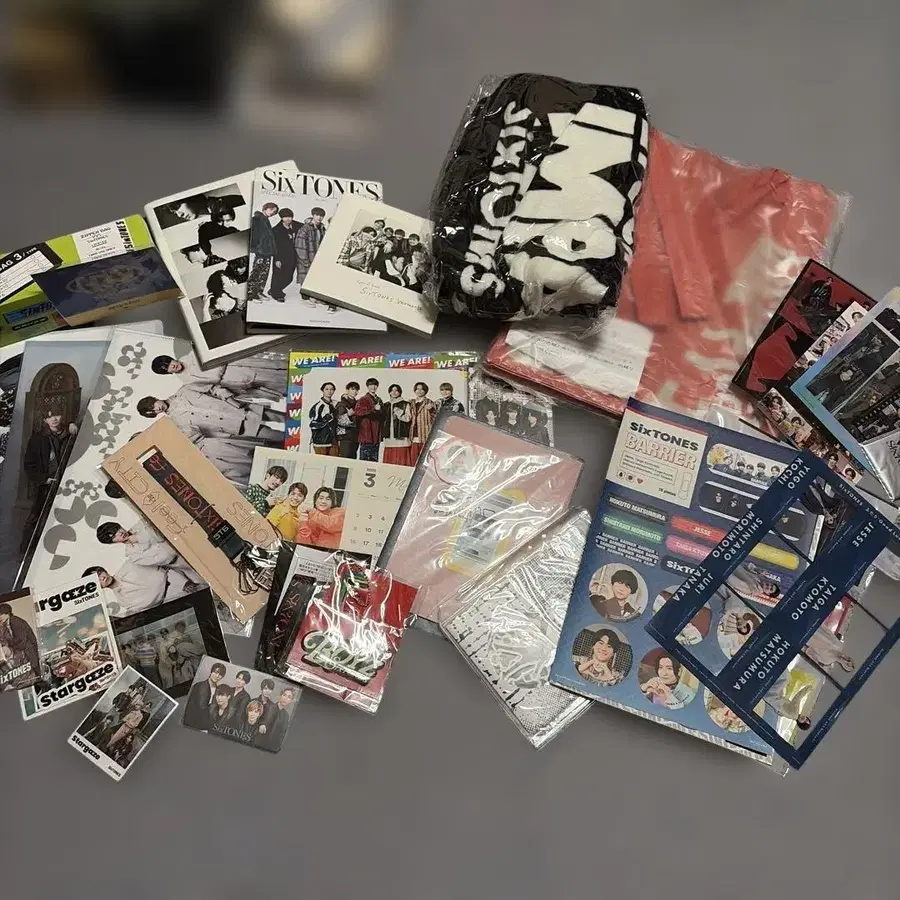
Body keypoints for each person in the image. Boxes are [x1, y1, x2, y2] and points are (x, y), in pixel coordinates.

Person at [137, 387, 282, 446]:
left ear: (154, 399)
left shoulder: (185, 390)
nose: (157, 409)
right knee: (279, 437)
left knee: (287, 417)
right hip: (236, 427)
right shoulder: (177, 424)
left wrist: (231, 400)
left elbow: (213, 388)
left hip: (241, 408)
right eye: (153, 412)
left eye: (153, 405)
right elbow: (205, 435)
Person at [22, 404, 77, 552]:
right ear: (45, 420)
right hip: (47, 485)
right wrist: (44, 479)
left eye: (57, 415)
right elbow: (29, 464)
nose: (54, 419)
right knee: (37, 517)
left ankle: (60, 549)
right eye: (49, 416)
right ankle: (27, 550)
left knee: (66, 516)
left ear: (62, 416)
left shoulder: (71, 433)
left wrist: (72, 424)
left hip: (69, 483)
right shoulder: (38, 439)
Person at [151, 351, 285, 402]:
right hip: (234, 385)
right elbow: (211, 386)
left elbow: (218, 360)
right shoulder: (187, 382)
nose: (172, 366)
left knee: (277, 371)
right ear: (168, 373)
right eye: (167, 368)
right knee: (275, 389)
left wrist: (216, 376)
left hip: (237, 366)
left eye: (169, 362)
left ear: (172, 358)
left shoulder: (192, 355)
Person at [83, 561, 196, 618]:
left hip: (185, 582)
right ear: (98, 587)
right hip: (178, 602)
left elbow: (164, 568)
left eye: (99, 573)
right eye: (97, 580)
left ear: (103, 570)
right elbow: (151, 607)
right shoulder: (123, 601)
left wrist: (184, 583)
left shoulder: (129, 566)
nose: (102, 578)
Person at [0, 601, 40, 681]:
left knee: (37, 674)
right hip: (24, 654)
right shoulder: (6, 625)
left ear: (7, 614)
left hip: (30, 652)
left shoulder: (16, 621)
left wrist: (9, 646)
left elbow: (22, 642)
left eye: (1, 614)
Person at [248, 201, 279, 300]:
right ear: (265, 208)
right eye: (271, 210)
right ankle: (250, 294)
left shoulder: (266, 220)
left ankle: (259, 292)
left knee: (264, 273)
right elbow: (252, 235)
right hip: (260, 251)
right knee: (256, 271)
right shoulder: (256, 219)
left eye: (274, 212)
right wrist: (255, 248)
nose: (272, 213)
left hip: (267, 251)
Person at [184, 661, 226, 730]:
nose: (217, 676)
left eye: (220, 674)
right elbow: (199, 707)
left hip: (207, 726)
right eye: (216, 672)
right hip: (193, 725)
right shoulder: (199, 685)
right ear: (211, 672)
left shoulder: (218, 690)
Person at [270, 208, 298, 301]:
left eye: (290, 217)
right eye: (285, 217)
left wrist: (309, 220)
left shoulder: (296, 225)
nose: (288, 219)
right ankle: (277, 294)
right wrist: (277, 259)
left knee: (289, 278)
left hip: (293, 256)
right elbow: (274, 246)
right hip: (280, 256)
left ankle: (273, 290)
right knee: (278, 275)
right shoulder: (276, 230)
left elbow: (306, 224)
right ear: (281, 218)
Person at [294, 206, 326, 286]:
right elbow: (300, 246)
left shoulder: (322, 228)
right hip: (307, 260)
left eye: (321, 216)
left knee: (315, 282)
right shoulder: (305, 228)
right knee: (306, 282)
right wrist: (306, 262)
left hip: (317, 259)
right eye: (317, 215)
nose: (319, 217)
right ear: (313, 215)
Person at [355, 378, 384, 462]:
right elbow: (358, 412)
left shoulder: (379, 400)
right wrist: (373, 409)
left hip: (376, 435)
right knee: (365, 461)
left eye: (375, 385)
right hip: (366, 434)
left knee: (374, 461)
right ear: (367, 386)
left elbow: (382, 416)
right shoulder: (363, 399)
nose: (373, 387)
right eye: (371, 385)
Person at [382, 384, 412, 465]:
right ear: (389, 392)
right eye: (392, 390)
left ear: (400, 392)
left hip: (400, 435)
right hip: (389, 436)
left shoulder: (405, 404)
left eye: (396, 390)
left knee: (401, 457)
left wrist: (399, 413)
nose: (394, 392)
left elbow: (408, 418)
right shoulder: (386, 405)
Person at [408, 382, 436, 464]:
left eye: (421, 389)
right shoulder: (411, 402)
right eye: (417, 389)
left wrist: (431, 410)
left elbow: (435, 417)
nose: (419, 391)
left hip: (424, 432)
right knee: (413, 458)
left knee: (424, 458)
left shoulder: (429, 402)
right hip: (413, 433)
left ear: (425, 390)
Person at [309, 383, 339, 455]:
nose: (329, 391)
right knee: (321, 461)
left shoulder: (335, 404)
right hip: (321, 442)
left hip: (333, 440)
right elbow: (313, 424)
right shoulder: (318, 406)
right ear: (323, 391)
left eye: (331, 389)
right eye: (327, 389)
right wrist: (326, 419)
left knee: (334, 461)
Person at [335, 382, 360, 459]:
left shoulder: (358, 403)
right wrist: (348, 415)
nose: (355, 392)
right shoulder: (342, 404)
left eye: (356, 390)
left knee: (353, 458)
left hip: (356, 435)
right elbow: (339, 421)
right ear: (347, 390)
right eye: (352, 389)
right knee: (345, 458)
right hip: (345, 436)